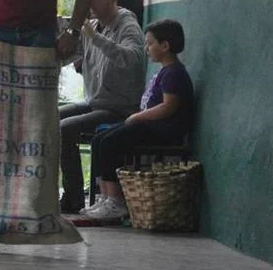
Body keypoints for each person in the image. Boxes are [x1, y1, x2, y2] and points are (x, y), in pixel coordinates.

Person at [83, 19, 194, 220]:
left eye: (150, 43)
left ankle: (116, 202)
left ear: (165, 46)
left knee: (109, 143)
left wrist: (137, 116)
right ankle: (105, 197)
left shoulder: (175, 73)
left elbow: (168, 107)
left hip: (163, 131)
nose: (146, 48)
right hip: (150, 126)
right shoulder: (164, 71)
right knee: (99, 138)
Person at [58, 0, 145, 213]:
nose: (90, 3)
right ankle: (58, 192)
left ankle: (73, 198)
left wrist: (96, 39)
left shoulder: (126, 23)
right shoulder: (93, 26)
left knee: (64, 128)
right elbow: (68, 54)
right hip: (94, 102)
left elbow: (133, 58)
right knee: (51, 116)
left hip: (118, 108)